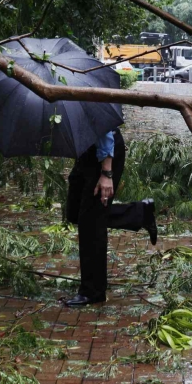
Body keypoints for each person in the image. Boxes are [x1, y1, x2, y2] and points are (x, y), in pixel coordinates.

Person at [64, 128, 157, 306]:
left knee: (90, 225)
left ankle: (92, 292)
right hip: (87, 150)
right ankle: (141, 213)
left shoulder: (94, 99)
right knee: (76, 213)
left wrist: (106, 173)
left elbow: (103, 127)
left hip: (105, 154)